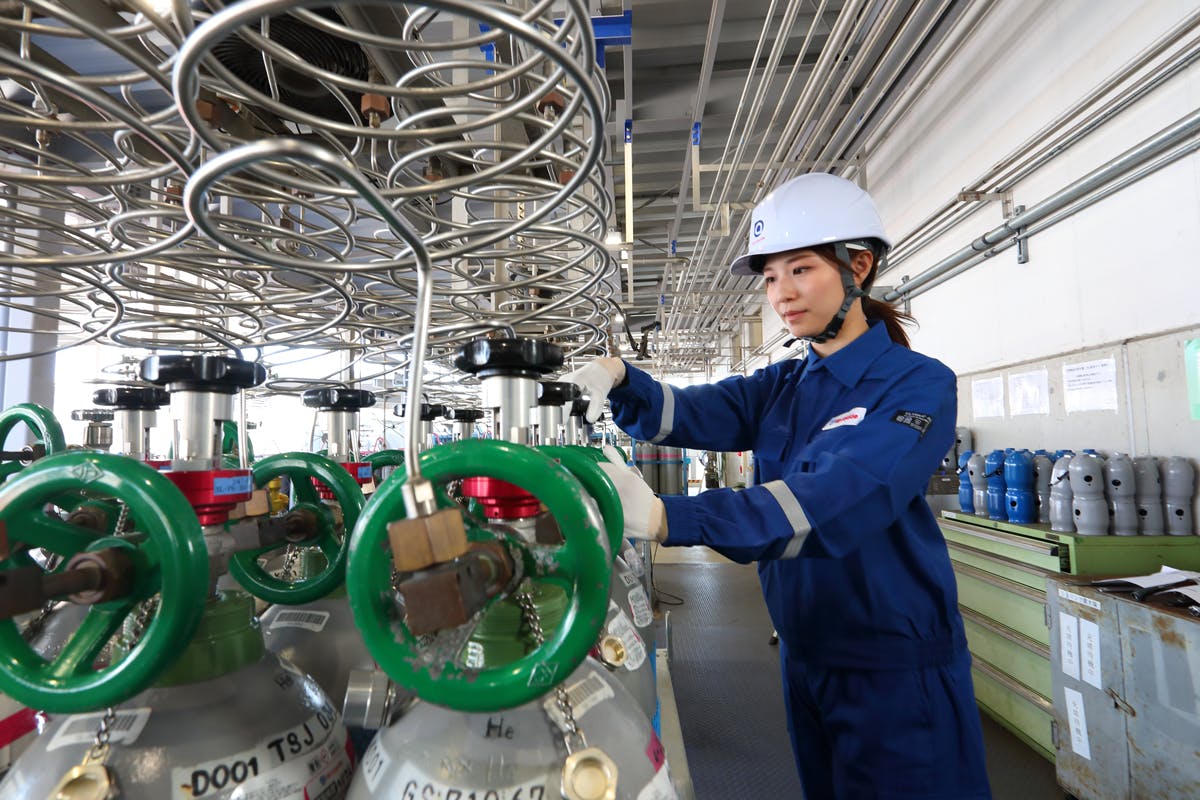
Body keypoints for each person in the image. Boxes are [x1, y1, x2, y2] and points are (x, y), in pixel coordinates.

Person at [565, 173, 991, 799]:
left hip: (893, 669)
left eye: (800, 270)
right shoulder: (784, 386)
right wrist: (621, 377)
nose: (781, 294)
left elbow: (840, 496)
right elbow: (687, 411)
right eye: (769, 278)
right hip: (804, 655)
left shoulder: (917, 384)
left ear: (858, 267)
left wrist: (668, 518)